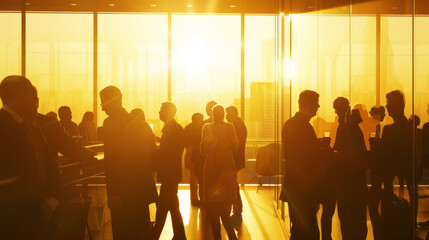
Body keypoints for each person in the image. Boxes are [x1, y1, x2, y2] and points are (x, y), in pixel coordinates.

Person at [0, 75, 61, 239]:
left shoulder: (24, 126)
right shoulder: (7, 127)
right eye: (30, 94)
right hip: (18, 218)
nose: (33, 99)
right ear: (20, 96)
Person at [100, 86, 157, 239]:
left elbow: (113, 162)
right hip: (139, 191)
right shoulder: (138, 123)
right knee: (140, 230)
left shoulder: (110, 124)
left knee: (123, 232)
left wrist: (113, 193)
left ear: (110, 102)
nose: (103, 108)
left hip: (122, 192)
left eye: (103, 103)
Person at [280, 90, 323, 240]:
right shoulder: (304, 127)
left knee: (300, 228)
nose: (318, 106)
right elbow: (307, 157)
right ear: (310, 105)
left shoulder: (292, 124)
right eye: (316, 103)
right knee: (306, 230)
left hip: (295, 187)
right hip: (303, 188)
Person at [378, 90, 414, 239]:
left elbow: (389, 155)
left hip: (392, 168)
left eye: (388, 102)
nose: (386, 106)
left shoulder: (389, 130)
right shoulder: (407, 128)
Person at [201, 104, 238, 240]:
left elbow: (203, 150)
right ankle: (232, 237)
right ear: (223, 114)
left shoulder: (207, 127)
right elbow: (235, 147)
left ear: (212, 114)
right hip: (227, 168)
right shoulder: (230, 127)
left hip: (211, 169)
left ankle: (217, 237)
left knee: (213, 209)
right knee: (225, 208)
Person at [152, 102, 186, 240]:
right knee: (171, 206)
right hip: (171, 173)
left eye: (161, 110)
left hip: (169, 173)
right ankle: (179, 236)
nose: (159, 112)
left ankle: (153, 236)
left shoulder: (172, 129)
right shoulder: (173, 128)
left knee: (164, 207)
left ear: (168, 112)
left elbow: (169, 152)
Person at [335, 104, 368, 240]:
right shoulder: (355, 131)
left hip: (346, 182)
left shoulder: (345, 130)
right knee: (357, 219)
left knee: (346, 218)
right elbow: (361, 155)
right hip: (356, 182)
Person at [225, 105, 247, 224]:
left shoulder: (236, 126)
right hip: (236, 160)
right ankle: (237, 211)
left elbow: (235, 145)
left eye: (227, 113)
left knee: (233, 186)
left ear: (233, 113)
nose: (226, 116)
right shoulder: (239, 124)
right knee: (234, 185)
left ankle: (237, 211)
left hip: (234, 160)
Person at [183, 113, 204, 204]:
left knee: (192, 177)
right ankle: (200, 198)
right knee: (200, 177)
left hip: (189, 154)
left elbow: (185, 142)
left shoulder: (187, 128)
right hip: (197, 156)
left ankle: (194, 198)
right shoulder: (201, 129)